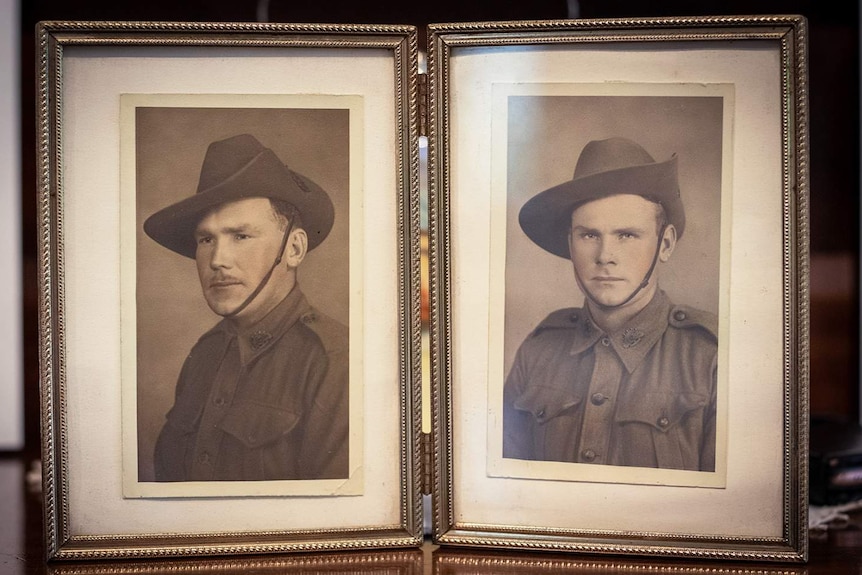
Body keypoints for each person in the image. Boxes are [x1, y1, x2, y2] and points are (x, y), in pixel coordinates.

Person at [503, 136, 717, 472]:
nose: (605, 257)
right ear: (570, 243)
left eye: (627, 235)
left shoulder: (711, 356)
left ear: (665, 244)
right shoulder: (539, 350)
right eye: (589, 235)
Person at [143, 133, 349, 481]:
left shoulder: (335, 361)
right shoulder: (204, 355)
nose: (218, 260)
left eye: (241, 236)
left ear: (294, 250)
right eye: (206, 239)